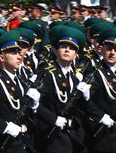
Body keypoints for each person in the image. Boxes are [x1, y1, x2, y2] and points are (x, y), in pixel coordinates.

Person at [0, 30, 40, 152]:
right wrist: (5, 127)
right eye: (13, 52)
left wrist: (34, 106)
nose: (19, 55)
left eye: (19, 52)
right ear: (1, 57)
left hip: (22, 140)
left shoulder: (20, 79)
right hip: (4, 142)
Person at [34, 25, 92, 153]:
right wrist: (52, 119)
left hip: (73, 133)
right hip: (53, 134)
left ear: (76, 54)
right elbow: (35, 104)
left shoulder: (74, 76)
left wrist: (87, 98)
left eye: (71, 48)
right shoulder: (47, 74)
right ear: (55, 50)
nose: (67, 50)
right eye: (63, 47)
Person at [86, 27, 116, 153]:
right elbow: (85, 100)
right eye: (109, 48)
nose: (112, 53)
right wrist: (100, 116)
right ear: (102, 49)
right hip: (103, 132)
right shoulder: (95, 73)